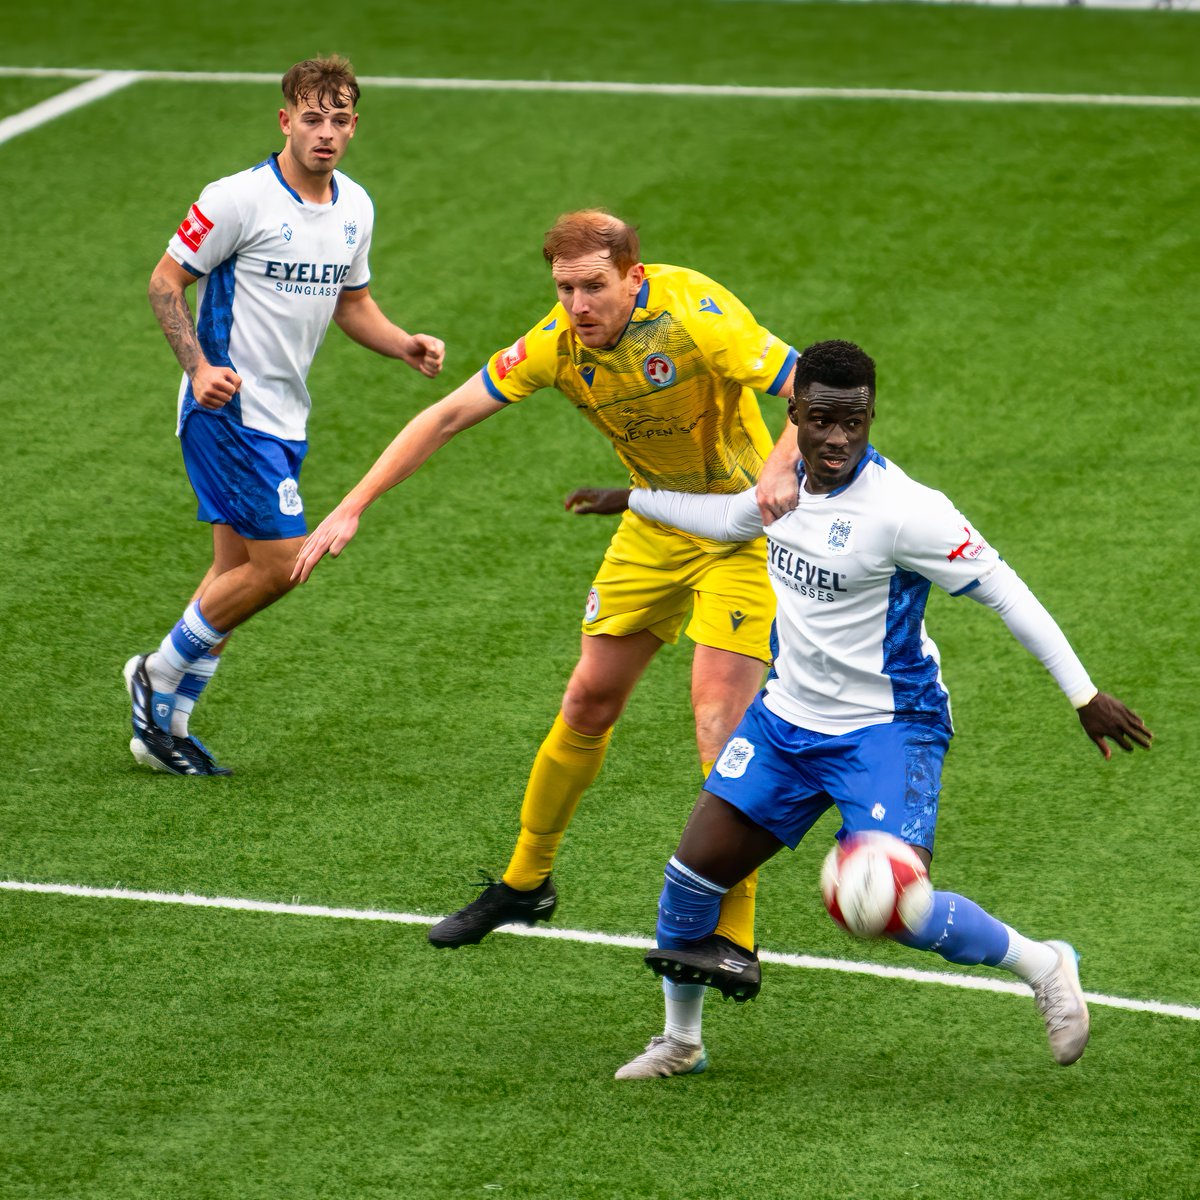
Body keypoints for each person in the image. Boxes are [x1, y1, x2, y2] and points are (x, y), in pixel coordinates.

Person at [612, 338, 1152, 1079]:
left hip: (888, 730)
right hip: (785, 720)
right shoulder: (782, 489)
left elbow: (1004, 590)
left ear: (870, 418)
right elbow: (729, 520)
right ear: (795, 415)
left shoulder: (906, 512)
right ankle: (682, 1041)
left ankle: (1043, 964)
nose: (838, 438)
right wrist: (628, 499)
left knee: (894, 906)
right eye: (822, 420)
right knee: (690, 879)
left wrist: (1083, 695)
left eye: (855, 423)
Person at [291, 209, 802, 968]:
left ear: (634, 276)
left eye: (593, 287)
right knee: (588, 701)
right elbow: (447, 416)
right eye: (565, 289)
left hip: (743, 538)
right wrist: (353, 503)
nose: (577, 306)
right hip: (656, 525)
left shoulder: (696, 314)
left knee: (718, 723)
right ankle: (525, 882)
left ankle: (734, 935)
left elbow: (809, 386)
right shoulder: (556, 344)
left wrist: (779, 470)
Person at [124, 55, 445, 775]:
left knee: (233, 573)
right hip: (227, 409)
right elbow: (166, 281)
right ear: (285, 120)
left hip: (285, 416)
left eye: (339, 120)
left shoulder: (356, 207)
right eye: (312, 118)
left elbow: (352, 302)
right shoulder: (237, 198)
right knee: (281, 564)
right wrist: (198, 368)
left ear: (354, 127)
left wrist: (403, 344)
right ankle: (155, 673)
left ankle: (164, 726)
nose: (325, 132)